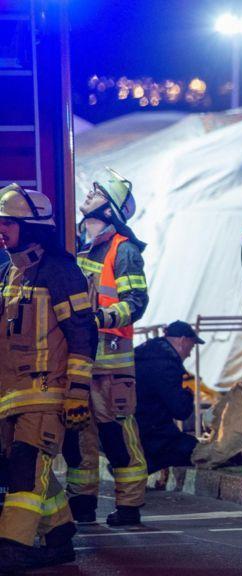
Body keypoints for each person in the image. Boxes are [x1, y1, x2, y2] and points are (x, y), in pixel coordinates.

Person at [0, 184, 95, 570]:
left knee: (26, 471)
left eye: (8, 223)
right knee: (28, 468)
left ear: (33, 227)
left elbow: (83, 334)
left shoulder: (61, 272)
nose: (1, 230)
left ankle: (12, 550)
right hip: (12, 396)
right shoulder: (11, 272)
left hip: (47, 394)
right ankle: (59, 537)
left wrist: (77, 393)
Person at [66, 168, 149, 526]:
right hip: (81, 362)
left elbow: (137, 301)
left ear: (109, 210)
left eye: (98, 193)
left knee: (117, 436)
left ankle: (129, 507)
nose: (89, 195)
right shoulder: (81, 245)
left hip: (112, 365)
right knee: (78, 434)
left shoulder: (124, 250)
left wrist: (100, 318)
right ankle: (81, 504)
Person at [134, 321, 204, 473]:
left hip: (129, 428)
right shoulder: (166, 365)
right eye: (190, 347)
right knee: (194, 450)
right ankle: (141, 465)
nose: (190, 353)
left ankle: (136, 463)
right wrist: (188, 394)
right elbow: (180, 411)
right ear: (182, 340)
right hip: (151, 433)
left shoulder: (145, 350)